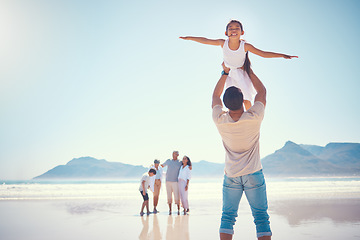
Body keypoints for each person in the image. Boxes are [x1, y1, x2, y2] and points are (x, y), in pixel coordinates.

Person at [180, 19, 297, 110]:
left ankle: (250, 119)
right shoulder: (223, 43)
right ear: (226, 33)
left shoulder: (245, 46)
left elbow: (263, 53)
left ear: (242, 32)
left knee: (246, 99)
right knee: (231, 99)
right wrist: (189, 38)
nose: (234, 30)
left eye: (237, 28)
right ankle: (234, 118)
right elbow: (205, 40)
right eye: (231, 28)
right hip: (229, 75)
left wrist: (282, 55)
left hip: (241, 73)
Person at [212, 63, 271, 240]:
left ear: (225, 105)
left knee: (227, 217)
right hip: (253, 173)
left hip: (231, 175)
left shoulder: (219, 120)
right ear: (242, 102)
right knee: (261, 218)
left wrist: (225, 72)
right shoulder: (254, 116)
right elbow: (262, 92)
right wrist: (249, 71)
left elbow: (215, 95)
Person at [161, 151, 182, 215]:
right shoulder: (168, 161)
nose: (173, 155)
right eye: (173, 154)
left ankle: (178, 210)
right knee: (169, 196)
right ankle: (170, 210)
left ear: (178, 155)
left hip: (175, 181)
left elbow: (186, 166)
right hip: (168, 181)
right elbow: (161, 166)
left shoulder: (180, 162)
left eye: (175, 154)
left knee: (177, 196)